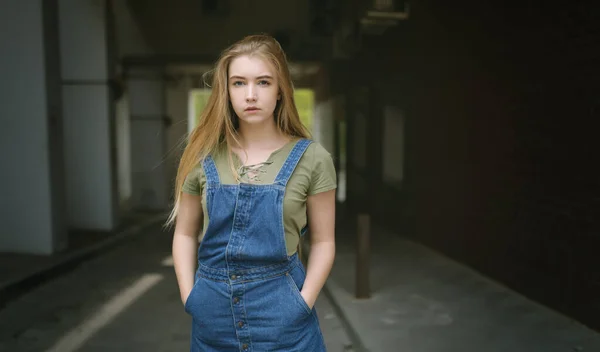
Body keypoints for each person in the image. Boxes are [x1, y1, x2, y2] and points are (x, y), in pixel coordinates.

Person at [168, 34, 337, 351]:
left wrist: (302, 304)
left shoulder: (313, 159)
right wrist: (189, 295)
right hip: (212, 318)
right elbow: (185, 233)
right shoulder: (201, 157)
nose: (250, 94)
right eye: (238, 83)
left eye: (263, 82)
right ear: (226, 91)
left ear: (280, 90)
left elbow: (325, 241)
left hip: (285, 320)